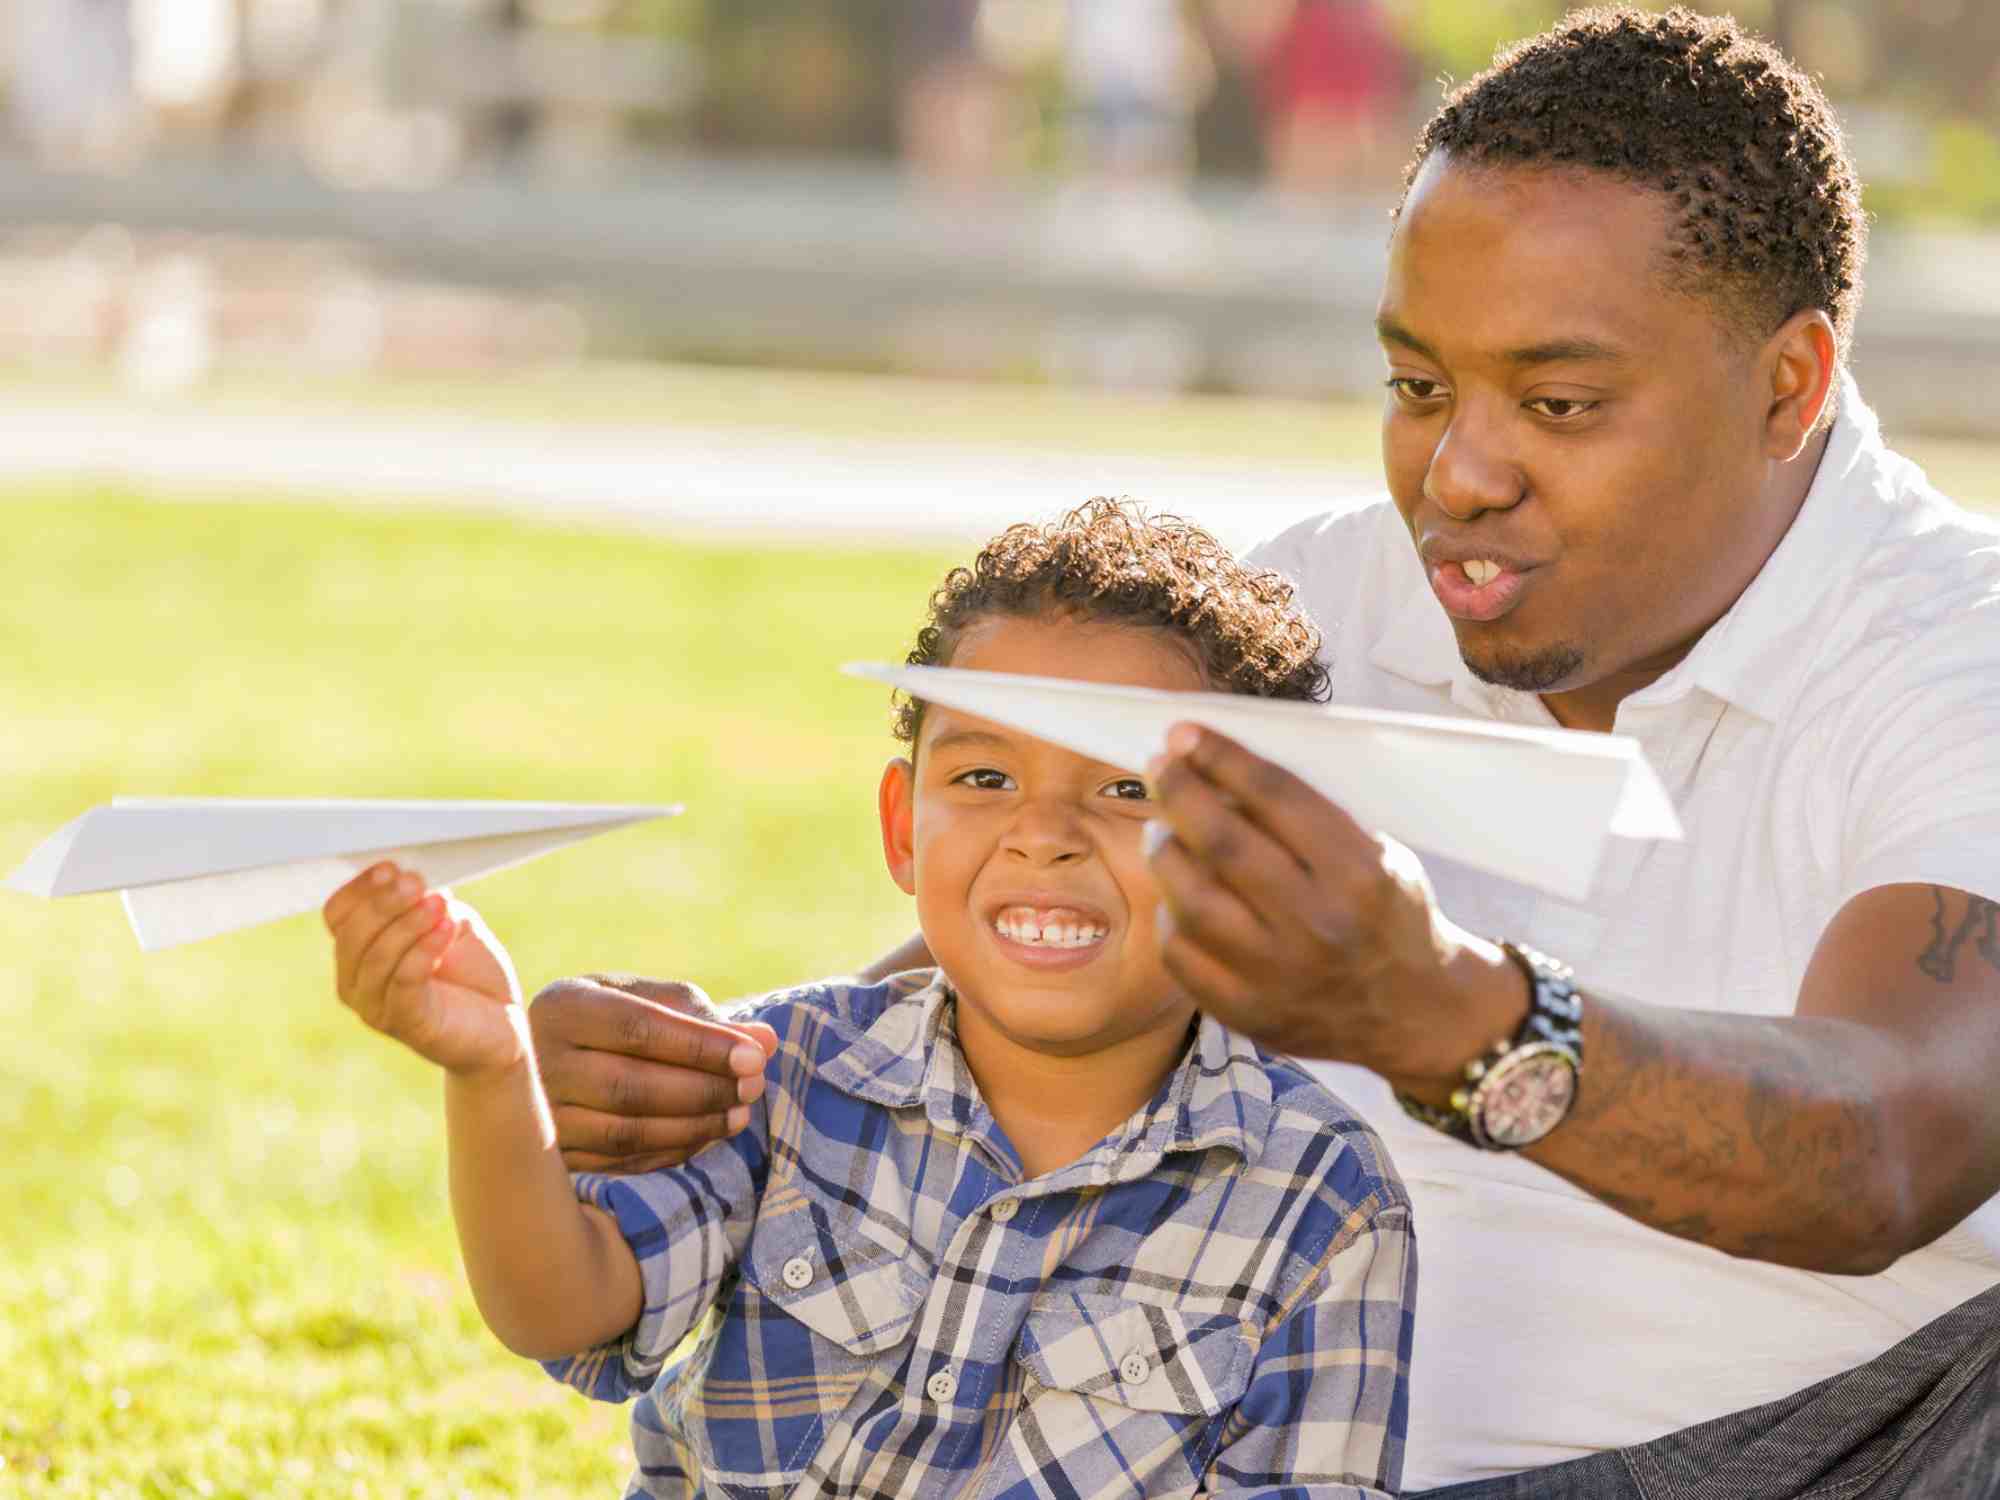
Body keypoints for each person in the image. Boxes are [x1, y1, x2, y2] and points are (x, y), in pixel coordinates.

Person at [526, 10, 2000, 1496]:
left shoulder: (1953, 653)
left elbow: (1889, 1144)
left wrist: (1455, 1024)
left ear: (1791, 385)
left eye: (1559, 405)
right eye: (1418, 389)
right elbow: (1027, 960)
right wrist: (713, 1072)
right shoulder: (1321, 606)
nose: (1461, 475)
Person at [323, 500, 1418, 1499]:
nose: (1040, 832)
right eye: (982, 779)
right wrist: (491, 1071)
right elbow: (561, 1304)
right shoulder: (781, 1070)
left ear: (1250, 854)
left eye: (1125, 788)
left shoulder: (1320, 1198)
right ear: (903, 827)